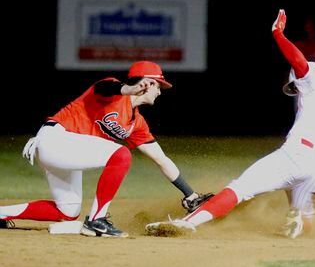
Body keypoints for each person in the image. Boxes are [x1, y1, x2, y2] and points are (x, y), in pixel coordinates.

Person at [145, 10, 315, 239]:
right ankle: (297, 222)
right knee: (303, 217)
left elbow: (299, 63)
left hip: (297, 155)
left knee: (239, 188)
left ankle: (187, 224)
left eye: (295, 86)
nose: (296, 90)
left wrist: (278, 34)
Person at [0, 61, 213, 237]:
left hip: (67, 151)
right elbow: (106, 88)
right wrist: (128, 89)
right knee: (120, 155)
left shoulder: (136, 123)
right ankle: (96, 220)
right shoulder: (111, 89)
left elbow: (161, 159)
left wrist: (190, 194)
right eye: (158, 86)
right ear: (147, 83)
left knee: (67, 210)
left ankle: (2, 213)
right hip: (55, 138)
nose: (160, 91)